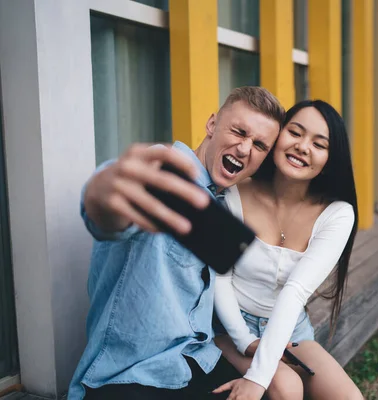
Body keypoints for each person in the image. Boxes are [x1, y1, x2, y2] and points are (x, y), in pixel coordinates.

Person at [68, 87, 286, 400]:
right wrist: (102, 191)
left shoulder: (223, 205)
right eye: (240, 131)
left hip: (196, 362)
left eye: (259, 145)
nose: (244, 148)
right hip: (131, 376)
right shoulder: (162, 176)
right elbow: (109, 210)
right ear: (212, 125)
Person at [212, 100, 364, 400]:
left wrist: (257, 374)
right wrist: (247, 344)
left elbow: (294, 291)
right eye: (295, 132)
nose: (303, 147)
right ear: (278, 136)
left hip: (291, 330)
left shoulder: (337, 214)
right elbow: (220, 277)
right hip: (228, 326)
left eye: (319, 144)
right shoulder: (235, 193)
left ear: (330, 160)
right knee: (286, 387)